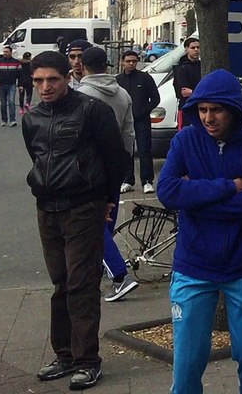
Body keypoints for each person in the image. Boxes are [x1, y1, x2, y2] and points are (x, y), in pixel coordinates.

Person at [157, 69, 242, 394]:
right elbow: (167, 192)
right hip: (193, 267)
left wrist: (193, 197)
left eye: (216, 110)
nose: (208, 118)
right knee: (187, 364)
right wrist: (227, 187)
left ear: (233, 110)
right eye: (202, 110)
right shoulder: (185, 141)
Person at [22, 50, 127, 390]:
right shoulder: (32, 117)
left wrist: (109, 200)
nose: (45, 87)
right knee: (60, 284)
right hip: (47, 207)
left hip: (84, 206)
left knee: (82, 285)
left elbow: (115, 158)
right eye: (38, 81)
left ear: (68, 77)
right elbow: (37, 156)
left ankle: (87, 361)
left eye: (52, 79)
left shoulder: (92, 111)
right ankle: (64, 355)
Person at [76, 47, 142, 305]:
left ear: (83, 65)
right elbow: (129, 131)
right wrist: (124, 160)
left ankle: (119, 274)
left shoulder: (81, 94)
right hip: (116, 163)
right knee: (107, 219)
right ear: (108, 64)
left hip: (91, 166)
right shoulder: (123, 93)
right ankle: (106, 264)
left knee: (92, 222)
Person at [117, 49, 161, 194]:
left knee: (144, 150)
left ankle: (147, 181)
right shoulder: (117, 80)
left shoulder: (145, 78)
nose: (131, 64)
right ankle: (127, 180)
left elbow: (155, 98)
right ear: (122, 62)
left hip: (141, 120)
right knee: (126, 151)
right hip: (124, 121)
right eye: (128, 61)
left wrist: (143, 111)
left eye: (134, 61)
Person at [173, 36, 203, 117]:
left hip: (201, 107)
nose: (196, 50)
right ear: (186, 49)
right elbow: (183, 92)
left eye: (198, 47)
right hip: (186, 108)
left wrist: (193, 93)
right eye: (193, 48)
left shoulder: (202, 66)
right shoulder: (181, 68)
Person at [0, 44, 20, 126]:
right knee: (3, 104)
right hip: (1, 85)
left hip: (12, 85)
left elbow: (20, 74)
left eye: (7, 52)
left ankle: (13, 120)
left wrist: (21, 85)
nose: (5, 53)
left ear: (11, 53)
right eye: (4, 52)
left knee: (11, 102)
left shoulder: (16, 62)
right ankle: (4, 120)